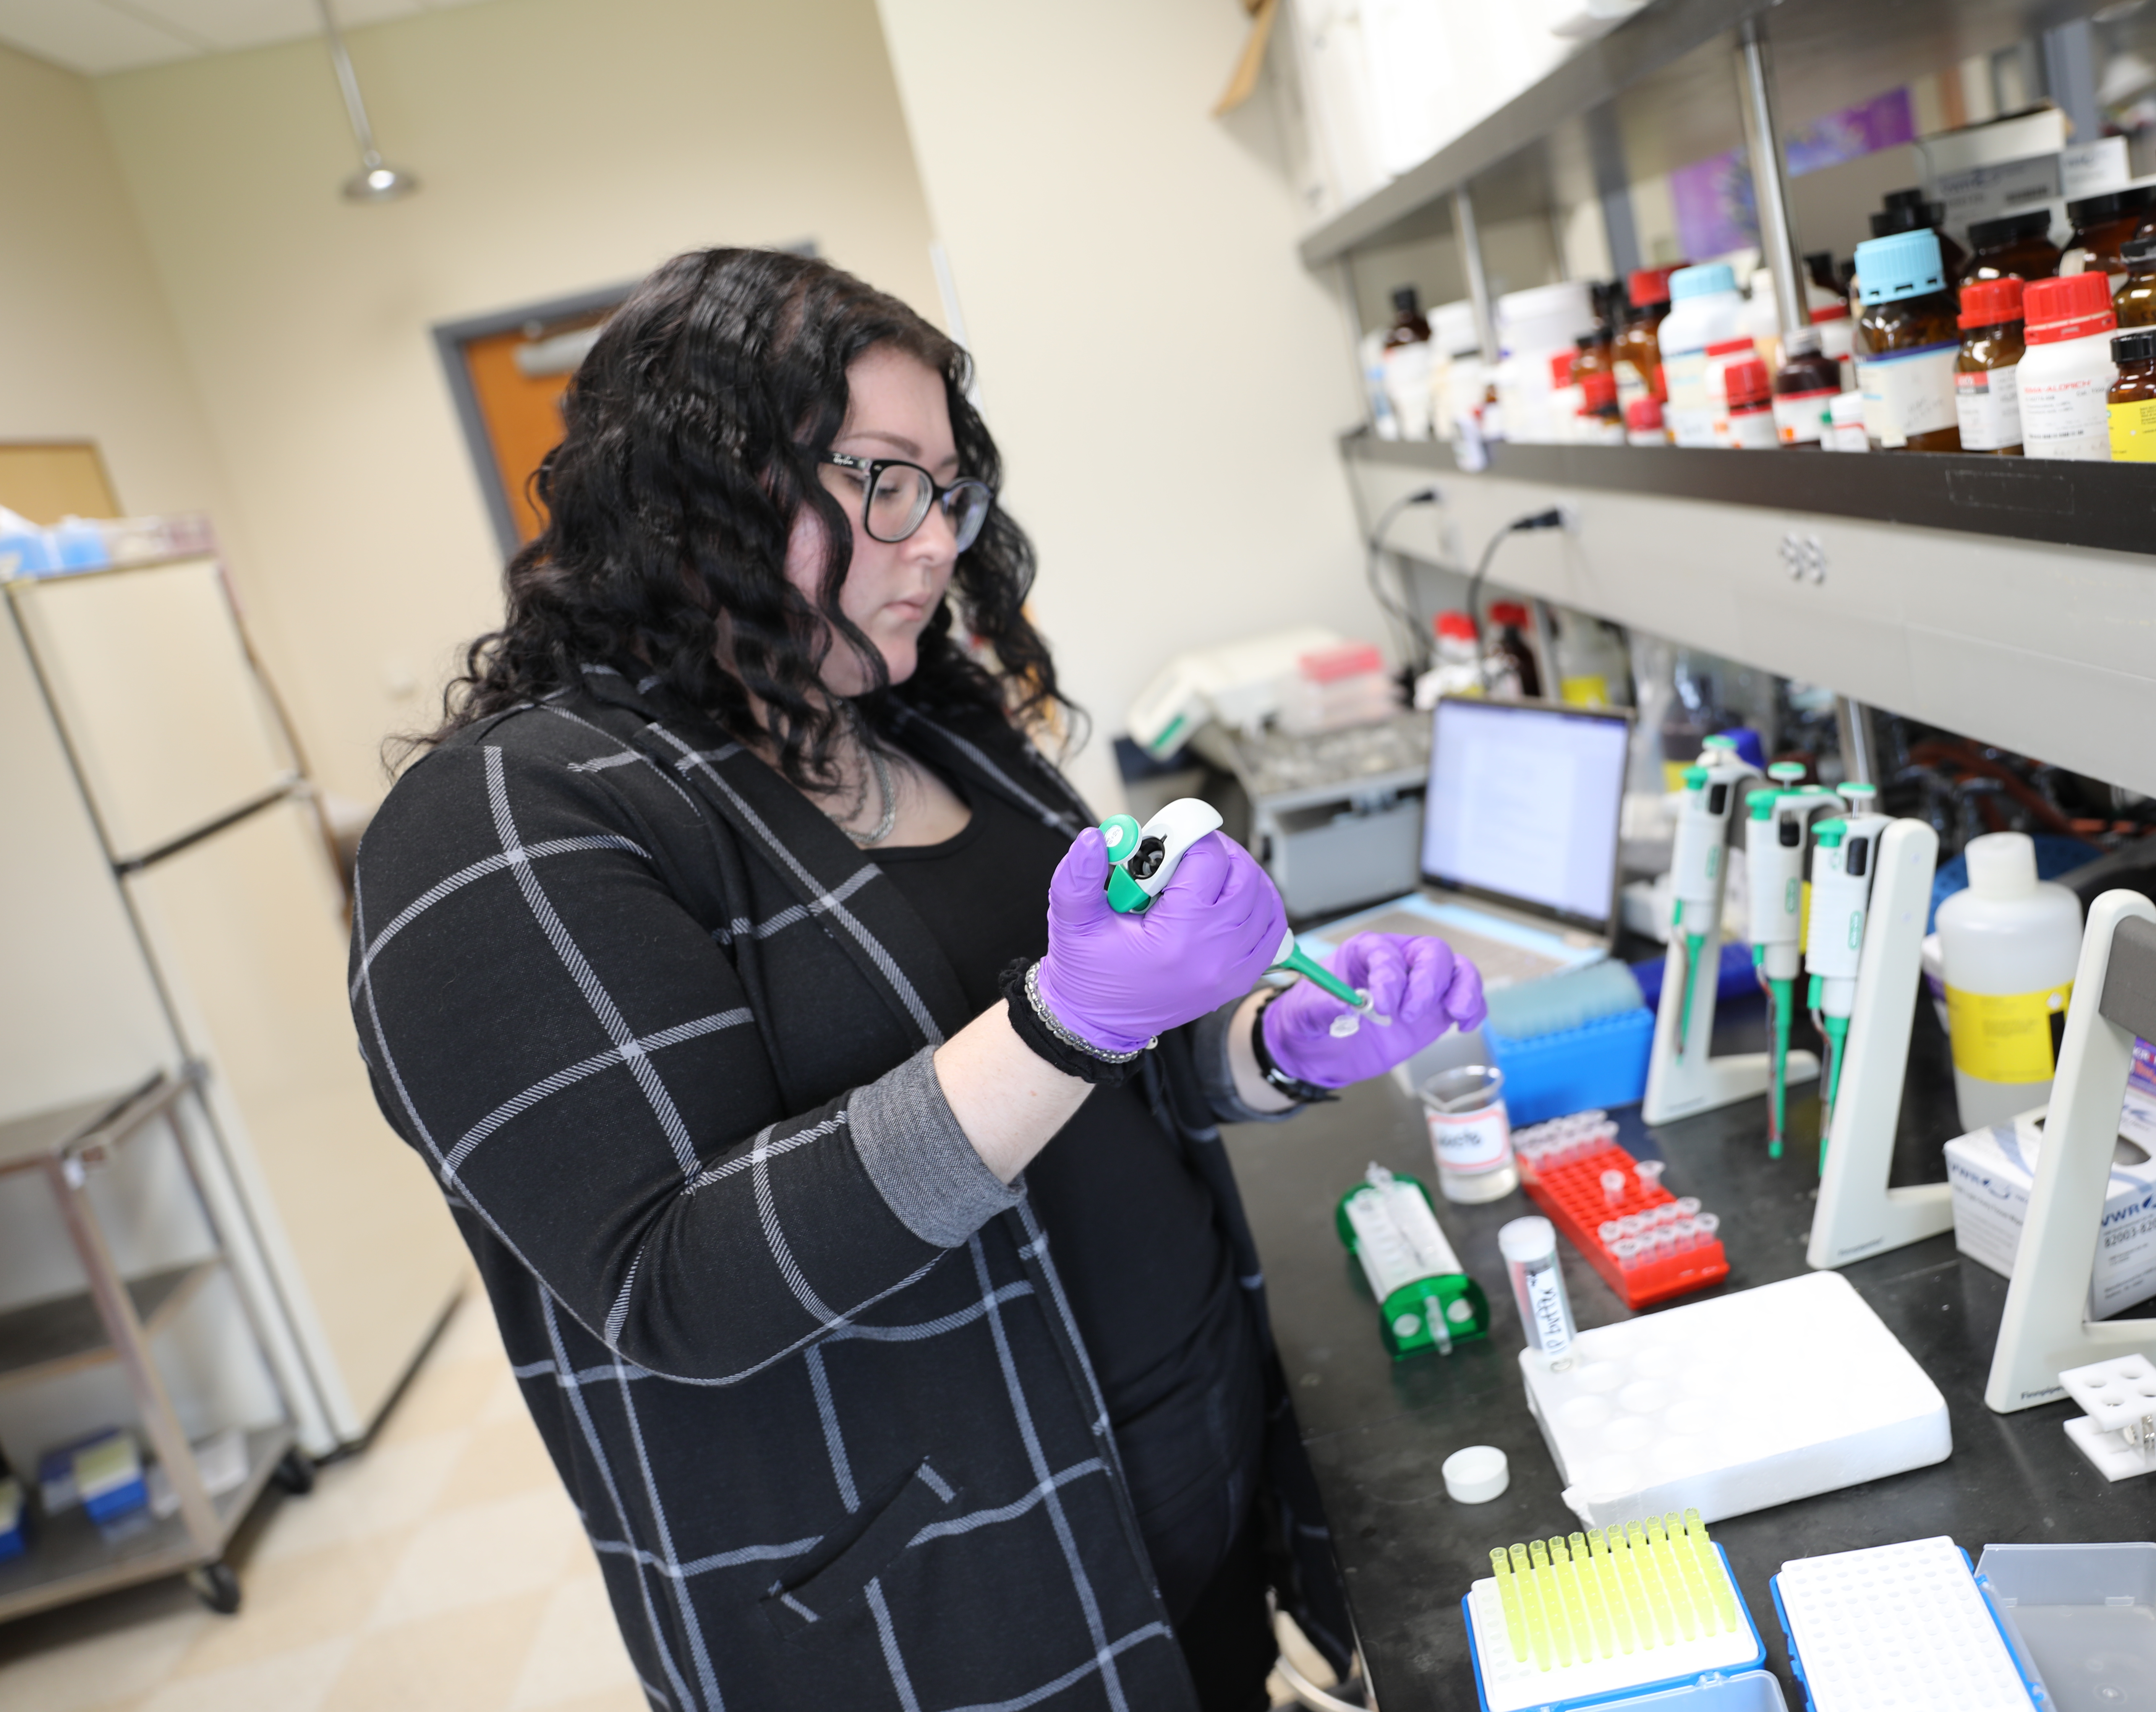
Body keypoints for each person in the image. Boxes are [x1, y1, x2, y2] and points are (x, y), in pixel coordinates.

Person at [348, 248, 1485, 1712]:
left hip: (1189, 1516)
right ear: (702, 485)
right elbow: (679, 1283)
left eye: (948, 490)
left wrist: (1269, 1044)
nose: (936, 543)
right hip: (953, 1618)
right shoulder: (510, 820)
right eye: (883, 481)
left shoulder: (923, 731)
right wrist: (1079, 1015)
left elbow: (1091, 1078)